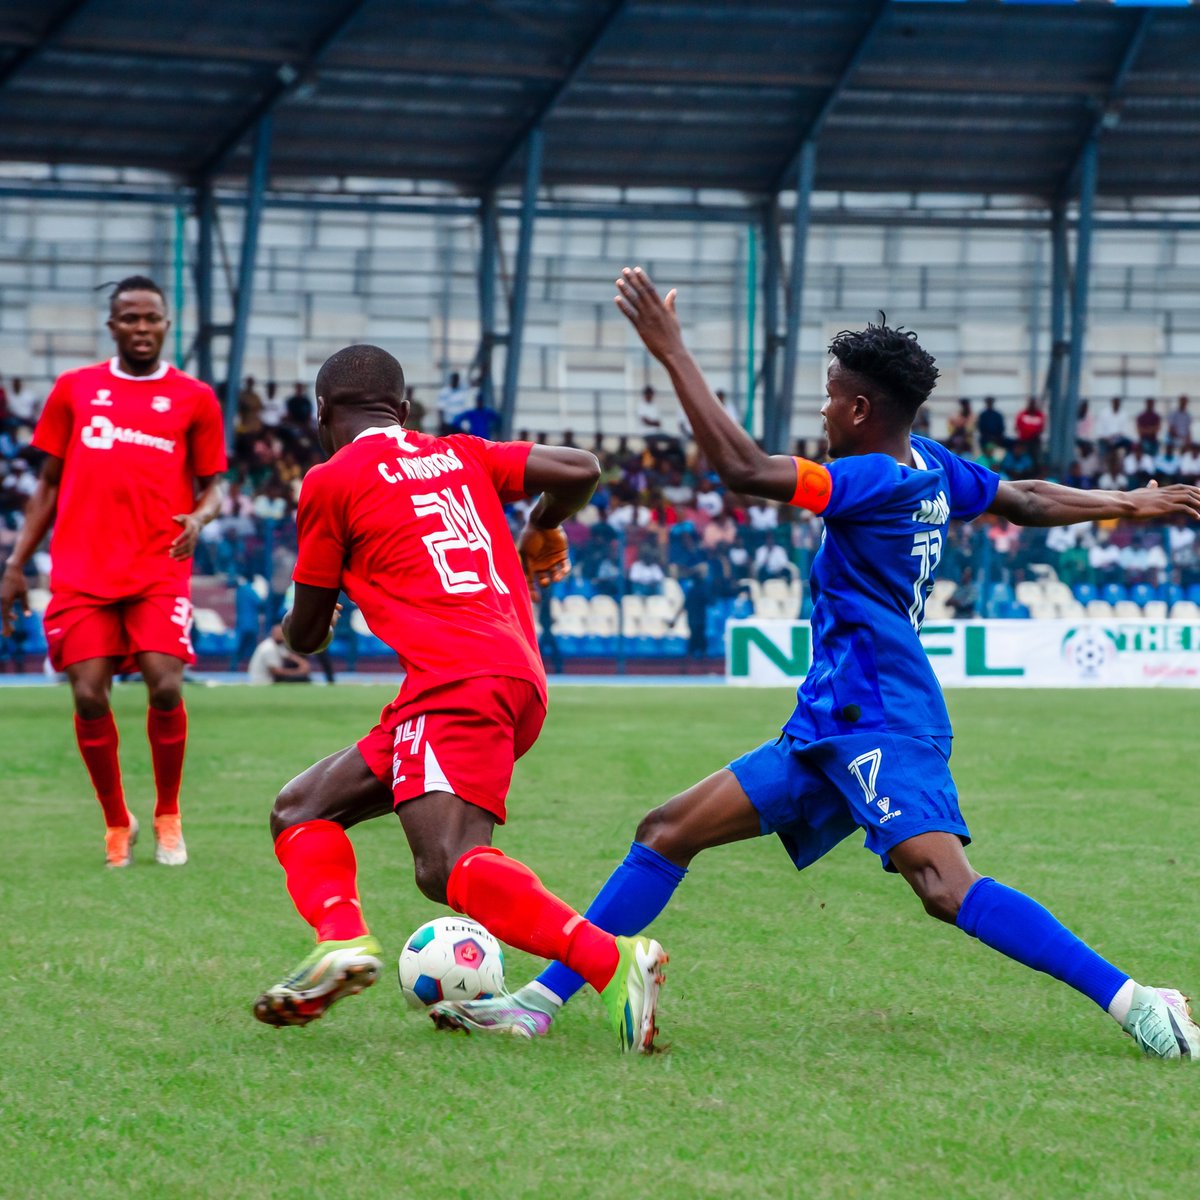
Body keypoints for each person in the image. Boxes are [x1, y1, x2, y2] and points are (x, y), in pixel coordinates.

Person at [431, 267, 1200, 1063]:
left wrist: (672, 352)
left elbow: (743, 471)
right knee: (666, 831)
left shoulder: (868, 478)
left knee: (944, 887)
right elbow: (1028, 498)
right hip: (827, 725)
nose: (824, 409)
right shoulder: (929, 465)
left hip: (883, 721)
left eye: (830, 396)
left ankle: (1139, 1003)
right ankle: (535, 1005)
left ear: (861, 409)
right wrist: (1130, 501)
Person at [250, 343, 667, 1053]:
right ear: (404, 411)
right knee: (300, 809)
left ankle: (613, 961)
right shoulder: (458, 453)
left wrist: (296, 618)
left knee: (447, 866)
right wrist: (543, 526)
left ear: (322, 414)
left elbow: (310, 634)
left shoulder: (330, 479)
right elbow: (580, 469)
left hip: (456, 679)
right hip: (507, 674)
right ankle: (341, 941)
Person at [0, 275, 226, 868]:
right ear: (113, 326)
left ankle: (168, 815)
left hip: (158, 565)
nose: (142, 329)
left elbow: (214, 486)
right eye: (130, 319)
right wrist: (16, 564)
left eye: (151, 318)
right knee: (89, 694)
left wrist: (199, 518)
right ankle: (116, 822)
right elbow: (47, 484)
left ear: (166, 324)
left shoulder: (195, 397)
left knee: (166, 682)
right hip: (81, 570)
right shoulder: (76, 390)